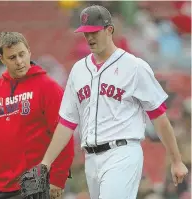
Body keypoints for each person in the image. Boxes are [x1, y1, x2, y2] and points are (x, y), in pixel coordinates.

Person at [41, 5, 188, 199]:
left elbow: (158, 116)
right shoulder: (78, 70)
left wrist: (176, 160)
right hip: (91, 158)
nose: (90, 38)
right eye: (86, 33)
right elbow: (67, 123)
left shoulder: (134, 66)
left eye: (95, 32)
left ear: (109, 30)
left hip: (123, 153)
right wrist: (45, 163)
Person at [0, 32, 74, 199]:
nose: (19, 62)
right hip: (0, 186)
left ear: (29, 52)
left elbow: (63, 134)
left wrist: (59, 177)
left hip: (36, 184)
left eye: (22, 54)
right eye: (12, 57)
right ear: (2, 59)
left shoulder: (48, 88)